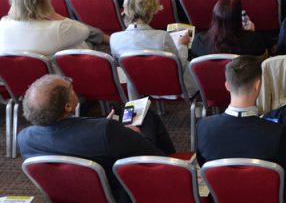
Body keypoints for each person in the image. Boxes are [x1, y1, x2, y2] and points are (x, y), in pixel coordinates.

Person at [18, 74, 175, 202]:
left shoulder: (24, 139)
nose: (73, 87)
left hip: (73, 197)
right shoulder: (105, 131)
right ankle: (174, 173)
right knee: (147, 116)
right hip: (119, 193)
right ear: (67, 107)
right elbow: (150, 155)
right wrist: (134, 134)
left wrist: (101, 127)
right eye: (70, 87)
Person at [195, 56, 286, 203]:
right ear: (258, 85)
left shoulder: (203, 127)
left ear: (227, 85)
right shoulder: (276, 132)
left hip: (225, 195)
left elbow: (203, 166)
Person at [110, 0, 193, 99]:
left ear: (126, 10)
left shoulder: (114, 39)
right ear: (152, 11)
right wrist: (182, 45)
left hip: (138, 85)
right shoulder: (162, 36)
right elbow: (179, 64)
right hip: (169, 86)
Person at [0, 0, 105, 55]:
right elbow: (85, 31)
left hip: (15, 79)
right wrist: (53, 15)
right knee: (79, 43)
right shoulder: (59, 27)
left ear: (13, 1)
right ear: (44, 0)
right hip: (54, 78)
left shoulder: (3, 22)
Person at [191, 0, 269, 60]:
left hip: (208, 79)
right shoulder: (253, 41)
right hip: (242, 79)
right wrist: (251, 34)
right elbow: (262, 60)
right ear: (238, 18)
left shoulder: (198, 41)